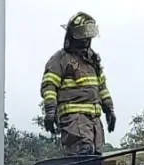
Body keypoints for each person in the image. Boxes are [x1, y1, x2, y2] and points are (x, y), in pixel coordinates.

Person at [41, 12, 116, 155]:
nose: (86, 40)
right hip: (74, 119)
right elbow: (49, 85)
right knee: (83, 153)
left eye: (88, 37)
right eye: (83, 36)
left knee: (95, 156)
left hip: (94, 119)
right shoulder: (61, 59)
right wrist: (50, 110)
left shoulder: (92, 61)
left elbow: (102, 87)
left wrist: (109, 109)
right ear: (73, 36)